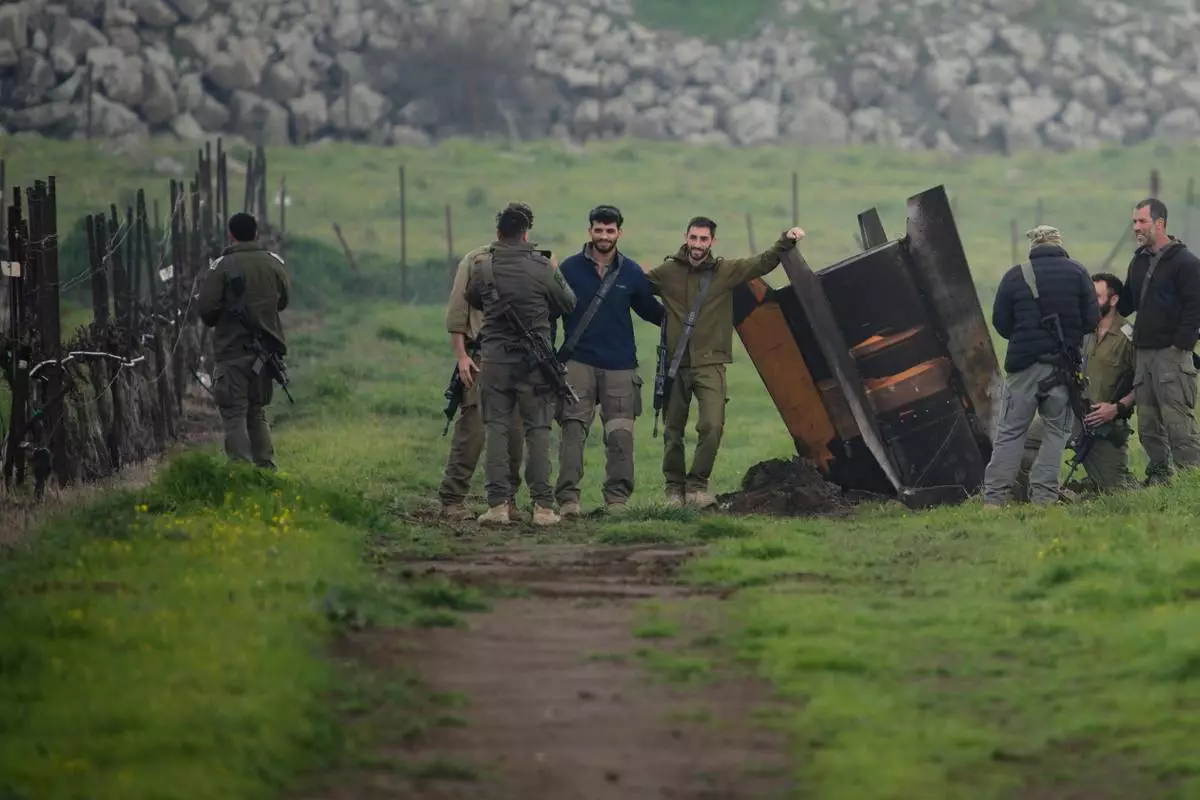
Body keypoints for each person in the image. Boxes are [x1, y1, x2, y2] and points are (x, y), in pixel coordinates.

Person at [645, 217, 805, 508]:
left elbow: (762, 262)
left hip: (710, 363)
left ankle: (697, 485)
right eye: (693, 238)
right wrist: (660, 319)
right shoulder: (666, 272)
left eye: (703, 239)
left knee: (712, 425)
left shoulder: (725, 271)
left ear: (712, 241)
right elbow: (635, 288)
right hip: (675, 365)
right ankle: (674, 490)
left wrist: (787, 240)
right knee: (672, 430)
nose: (697, 244)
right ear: (686, 237)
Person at [466, 206, 577, 525]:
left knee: (496, 429)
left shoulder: (482, 266)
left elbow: (474, 299)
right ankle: (543, 507)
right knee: (538, 430)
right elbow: (569, 303)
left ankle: (498, 506)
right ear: (526, 234)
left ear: (498, 232)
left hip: (495, 360)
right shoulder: (542, 267)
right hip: (536, 363)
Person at [553, 205, 664, 516]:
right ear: (590, 230)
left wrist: (688, 316)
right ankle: (568, 500)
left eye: (610, 230)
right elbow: (550, 312)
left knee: (620, 435)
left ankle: (617, 501)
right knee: (573, 431)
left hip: (620, 364)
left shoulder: (631, 272)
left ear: (619, 233)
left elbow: (652, 312)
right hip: (578, 361)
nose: (604, 236)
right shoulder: (569, 269)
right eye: (599, 230)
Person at [981, 225, 1099, 507]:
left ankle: (994, 499)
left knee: (1011, 432)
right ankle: (1044, 498)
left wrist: (1025, 335)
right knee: (1056, 433)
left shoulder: (1014, 276)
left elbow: (1001, 323)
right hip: (1062, 370)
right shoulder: (1078, 273)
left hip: (1023, 368)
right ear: (1059, 244)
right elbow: (1091, 320)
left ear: (1033, 246)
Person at [438, 202, 532, 522]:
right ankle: (452, 498)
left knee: (515, 434)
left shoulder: (534, 262)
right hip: (482, 355)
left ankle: (507, 499)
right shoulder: (476, 261)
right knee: (473, 430)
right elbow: (457, 313)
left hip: (519, 359)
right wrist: (462, 356)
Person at [1014, 272, 1138, 499]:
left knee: (1116, 491)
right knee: (1021, 441)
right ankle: (1033, 494)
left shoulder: (1128, 337)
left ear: (1113, 300)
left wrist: (1116, 408)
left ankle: (1086, 488)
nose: (1089, 302)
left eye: (1097, 297)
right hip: (1070, 413)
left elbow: (1144, 383)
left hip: (1103, 423)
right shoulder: (1081, 330)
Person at [1116, 197, 1200, 485]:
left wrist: (1181, 345)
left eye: (1142, 221)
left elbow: (1195, 307)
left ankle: (1192, 483)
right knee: (1148, 425)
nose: (1136, 227)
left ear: (1160, 223)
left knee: (1179, 424)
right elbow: (1126, 302)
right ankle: (1159, 478)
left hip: (1171, 354)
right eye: (1134, 221)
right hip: (1144, 354)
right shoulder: (1138, 261)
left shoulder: (1186, 262)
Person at [198, 211, 290, 470]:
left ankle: (241, 472)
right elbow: (282, 302)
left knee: (235, 413)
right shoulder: (273, 263)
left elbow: (207, 311)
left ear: (231, 235)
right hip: (265, 354)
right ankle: (265, 468)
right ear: (256, 233)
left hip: (232, 352)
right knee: (256, 410)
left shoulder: (222, 267)